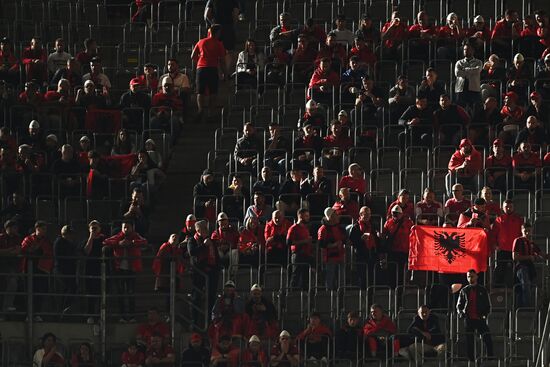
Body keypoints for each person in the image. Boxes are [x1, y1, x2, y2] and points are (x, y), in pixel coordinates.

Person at [103, 221, 148, 323]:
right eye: (124, 227)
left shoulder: (136, 236)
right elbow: (106, 241)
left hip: (131, 270)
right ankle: (122, 317)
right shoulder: (118, 237)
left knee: (131, 293)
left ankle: (132, 316)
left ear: (132, 227)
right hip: (119, 270)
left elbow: (144, 242)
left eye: (128, 227)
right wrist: (118, 244)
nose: (126, 230)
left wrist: (132, 243)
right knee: (120, 293)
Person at [187, 220, 220, 329]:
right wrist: (204, 245)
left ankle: (210, 322)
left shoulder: (211, 241)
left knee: (211, 297)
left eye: (207, 228)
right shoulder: (192, 240)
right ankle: (194, 322)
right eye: (204, 229)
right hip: (199, 272)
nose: (206, 231)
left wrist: (217, 268)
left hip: (212, 272)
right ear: (198, 231)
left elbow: (216, 256)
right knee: (196, 297)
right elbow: (192, 252)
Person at [456, 269, 494, 361]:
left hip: (480, 318)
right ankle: (471, 360)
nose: (470, 278)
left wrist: (485, 314)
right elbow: (459, 305)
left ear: (476, 276)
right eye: (468, 276)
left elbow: (488, 305)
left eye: (472, 276)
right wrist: (461, 313)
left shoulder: (482, 289)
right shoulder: (464, 290)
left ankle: (490, 359)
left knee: (487, 339)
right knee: (470, 342)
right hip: (469, 319)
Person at [191, 24, 226, 120]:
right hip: (212, 69)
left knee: (200, 92)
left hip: (201, 69)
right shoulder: (219, 44)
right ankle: (211, 113)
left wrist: (199, 61)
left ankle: (200, 110)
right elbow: (222, 60)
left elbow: (192, 56)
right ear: (217, 33)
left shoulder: (201, 41)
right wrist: (225, 73)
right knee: (213, 92)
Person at [21, 221, 53, 322]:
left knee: (40, 292)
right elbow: (24, 250)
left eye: (45, 229)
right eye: (43, 229)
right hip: (29, 269)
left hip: (41, 269)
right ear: (37, 229)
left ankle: (37, 313)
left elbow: (49, 253)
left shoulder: (46, 241)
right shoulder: (28, 239)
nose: (45, 231)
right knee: (29, 292)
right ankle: (28, 314)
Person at [512, 223, 547, 307]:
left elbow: (543, 255)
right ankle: (526, 308)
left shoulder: (532, 243)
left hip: (530, 268)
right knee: (525, 286)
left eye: (529, 231)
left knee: (527, 287)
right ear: (522, 231)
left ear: (532, 231)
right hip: (521, 267)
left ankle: (522, 307)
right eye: (525, 231)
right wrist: (529, 257)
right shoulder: (518, 240)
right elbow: (514, 257)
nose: (527, 233)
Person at [492, 200, 524, 288]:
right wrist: (495, 245)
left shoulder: (519, 220)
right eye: (506, 207)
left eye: (510, 207)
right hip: (502, 250)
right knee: (500, 270)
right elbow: (493, 235)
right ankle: (498, 291)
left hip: (516, 250)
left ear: (513, 207)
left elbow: (522, 234)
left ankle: (516, 290)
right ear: (503, 208)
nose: (509, 208)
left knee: (517, 271)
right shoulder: (498, 220)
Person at [348, 206, 380, 289]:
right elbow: (352, 242)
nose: (367, 216)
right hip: (361, 255)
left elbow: (377, 241)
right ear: (360, 214)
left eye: (369, 214)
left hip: (372, 254)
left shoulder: (373, 225)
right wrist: (361, 239)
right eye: (365, 214)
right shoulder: (355, 227)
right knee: (362, 278)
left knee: (372, 278)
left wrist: (378, 236)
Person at [382, 205, 414, 287]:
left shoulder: (408, 223)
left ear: (401, 214)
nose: (395, 215)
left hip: (404, 251)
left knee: (402, 272)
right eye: (393, 213)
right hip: (392, 251)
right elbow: (384, 235)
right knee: (392, 271)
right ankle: (392, 288)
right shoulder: (388, 223)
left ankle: (401, 288)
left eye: (397, 213)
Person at [152, 234, 185, 311]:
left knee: (173, 295)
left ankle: (172, 313)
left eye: (176, 238)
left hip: (175, 274)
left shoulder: (178, 249)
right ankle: (168, 313)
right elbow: (159, 259)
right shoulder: (164, 247)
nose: (174, 238)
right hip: (166, 274)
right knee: (168, 295)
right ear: (169, 239)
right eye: (173, 237)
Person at [82, 220, 106, 324]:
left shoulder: (104, 239)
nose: (94, 229)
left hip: (101, 268)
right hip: (90, 269)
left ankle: (101, 315)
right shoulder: (87, 240)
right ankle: (90, 315)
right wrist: (91, 236)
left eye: (96, 228)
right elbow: (86, 251)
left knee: (101, 293)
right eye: (92, 228)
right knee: (91, 293)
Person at [318, 208, 346, 290]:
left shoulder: (339, 228)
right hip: (330, 257)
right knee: (330, 279)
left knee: (341, 280)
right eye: (335, 215)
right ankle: (329, 296)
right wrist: (334, 245)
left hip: (340, 255)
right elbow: (321, 244)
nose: (338, 216)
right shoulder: (323, 229)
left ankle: (341, 295)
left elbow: (344, 239)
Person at [53, 225, 78, 314]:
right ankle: (63, 308)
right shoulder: (59, 242)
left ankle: (66, 307)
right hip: (61, 269)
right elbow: (61, 257)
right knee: (67, 287)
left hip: (69, 270)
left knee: (71, 287)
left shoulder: (70, 243)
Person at [287, 208, 313, 290]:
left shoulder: (305, 228)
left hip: (306, 254)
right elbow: (289, 242)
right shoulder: (293, 228)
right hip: (298, 254)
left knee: (305, 277)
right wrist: (304, 241)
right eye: (306, 216)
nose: (308, 218)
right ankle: (292, 295)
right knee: (296, 276)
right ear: (300, 216)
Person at [0, 220, 21, 316]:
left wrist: (7, 252)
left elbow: (17, 251)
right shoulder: (1, 238)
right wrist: (8, 251)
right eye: (14, 227)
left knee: (13, 283)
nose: (16, 229)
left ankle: (7, 306)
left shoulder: (17, 238)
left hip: (12, 266)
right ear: (7, 228)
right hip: (2, 265)